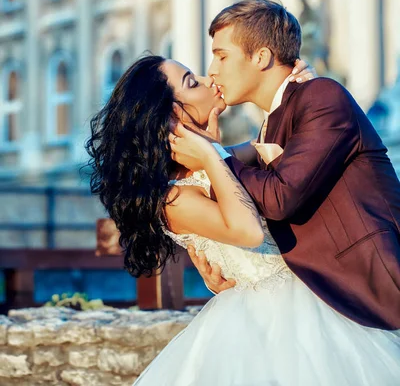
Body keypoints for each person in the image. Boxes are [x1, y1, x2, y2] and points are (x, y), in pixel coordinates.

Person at [86, 50, 400, 385]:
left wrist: (298, 89)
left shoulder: (219, 160)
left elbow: (278, 143)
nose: (210, 80)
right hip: (264, 324)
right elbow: (248, 230)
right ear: (171, 117)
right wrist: (208, 154)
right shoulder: (172, 198)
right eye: (193, 82)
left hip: (318, 295)